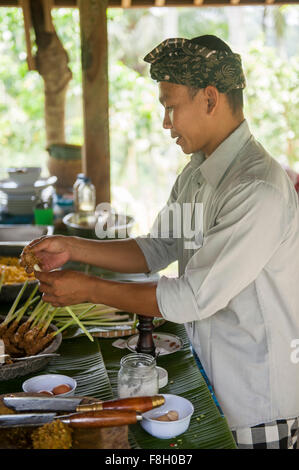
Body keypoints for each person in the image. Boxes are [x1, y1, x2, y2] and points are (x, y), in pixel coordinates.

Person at [22, 35, 299, 449]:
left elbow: (192, 297)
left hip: (255, 400)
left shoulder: (256, 188)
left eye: (171, 107)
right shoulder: (199, 171)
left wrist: (88, 289)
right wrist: (73, 247)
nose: (166, 123)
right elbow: (156, 248)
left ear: (209, 98)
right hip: (213, 379)